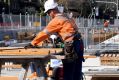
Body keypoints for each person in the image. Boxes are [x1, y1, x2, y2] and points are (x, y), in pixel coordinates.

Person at [25, 0, 84, 80]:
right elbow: (70, 30)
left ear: (52, 11)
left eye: (48, 13)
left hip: (71, 45)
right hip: (79, 43)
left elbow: (44, 33)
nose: (49, 15)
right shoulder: (66, 16)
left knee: (68, 72)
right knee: (77, 71)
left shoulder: (56, 20)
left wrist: (32, 43)